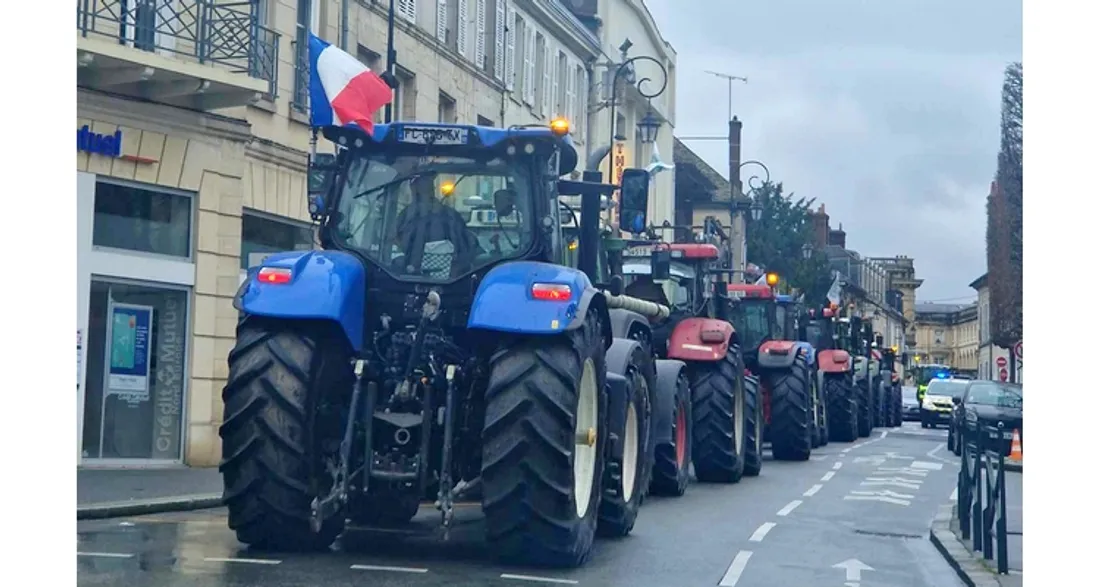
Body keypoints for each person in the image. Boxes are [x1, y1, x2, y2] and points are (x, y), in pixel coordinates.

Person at [394, 173, 478, 275]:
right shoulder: (406, 216)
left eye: (427, 186)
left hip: (451, 279)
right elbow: (394, 239)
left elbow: (465, 248)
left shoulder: (451, 217)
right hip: (409, 277)